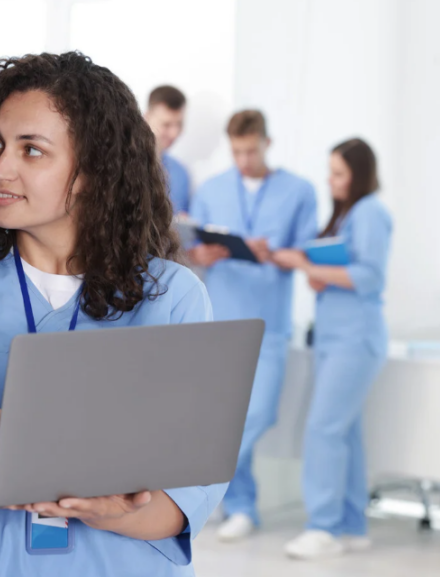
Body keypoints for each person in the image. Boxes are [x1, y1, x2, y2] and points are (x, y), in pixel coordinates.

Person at [0, 51, 226, 577]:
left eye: (31, 150)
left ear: (93, 172)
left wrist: (112, 510)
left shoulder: (173, 294)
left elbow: (192, 487)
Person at [188, 109, 318, 541]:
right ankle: (241, 507)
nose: (244, 160)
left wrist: (271, 253)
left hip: (269, 324)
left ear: (267, 143)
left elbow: (306, 255)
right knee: (223, 419)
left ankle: (198, 483)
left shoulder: (299, 191)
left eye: (251, 151)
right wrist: (200, 255)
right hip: (221, 321)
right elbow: (193, 246)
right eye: (237, 152)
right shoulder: (211, 189)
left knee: (258, 413)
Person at [272, 138, 392, 559]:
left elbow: (370, 276)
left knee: (323, 429)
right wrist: (318, 273)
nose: (331, 181)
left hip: (355, 339)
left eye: (339, 174)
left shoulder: (370, 212)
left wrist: (308, 266)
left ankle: (323, 527)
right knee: (346, 433)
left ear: (360, 175)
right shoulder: (346, 215)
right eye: (331, 173)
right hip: (333, 337)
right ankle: (352, 526)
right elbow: (340, 271)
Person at [144, 85, 191, 216]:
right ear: (147, 118)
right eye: (166, 124)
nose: (174, 133)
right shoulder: (122, 164)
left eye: (179, 124)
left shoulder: (181, 174)